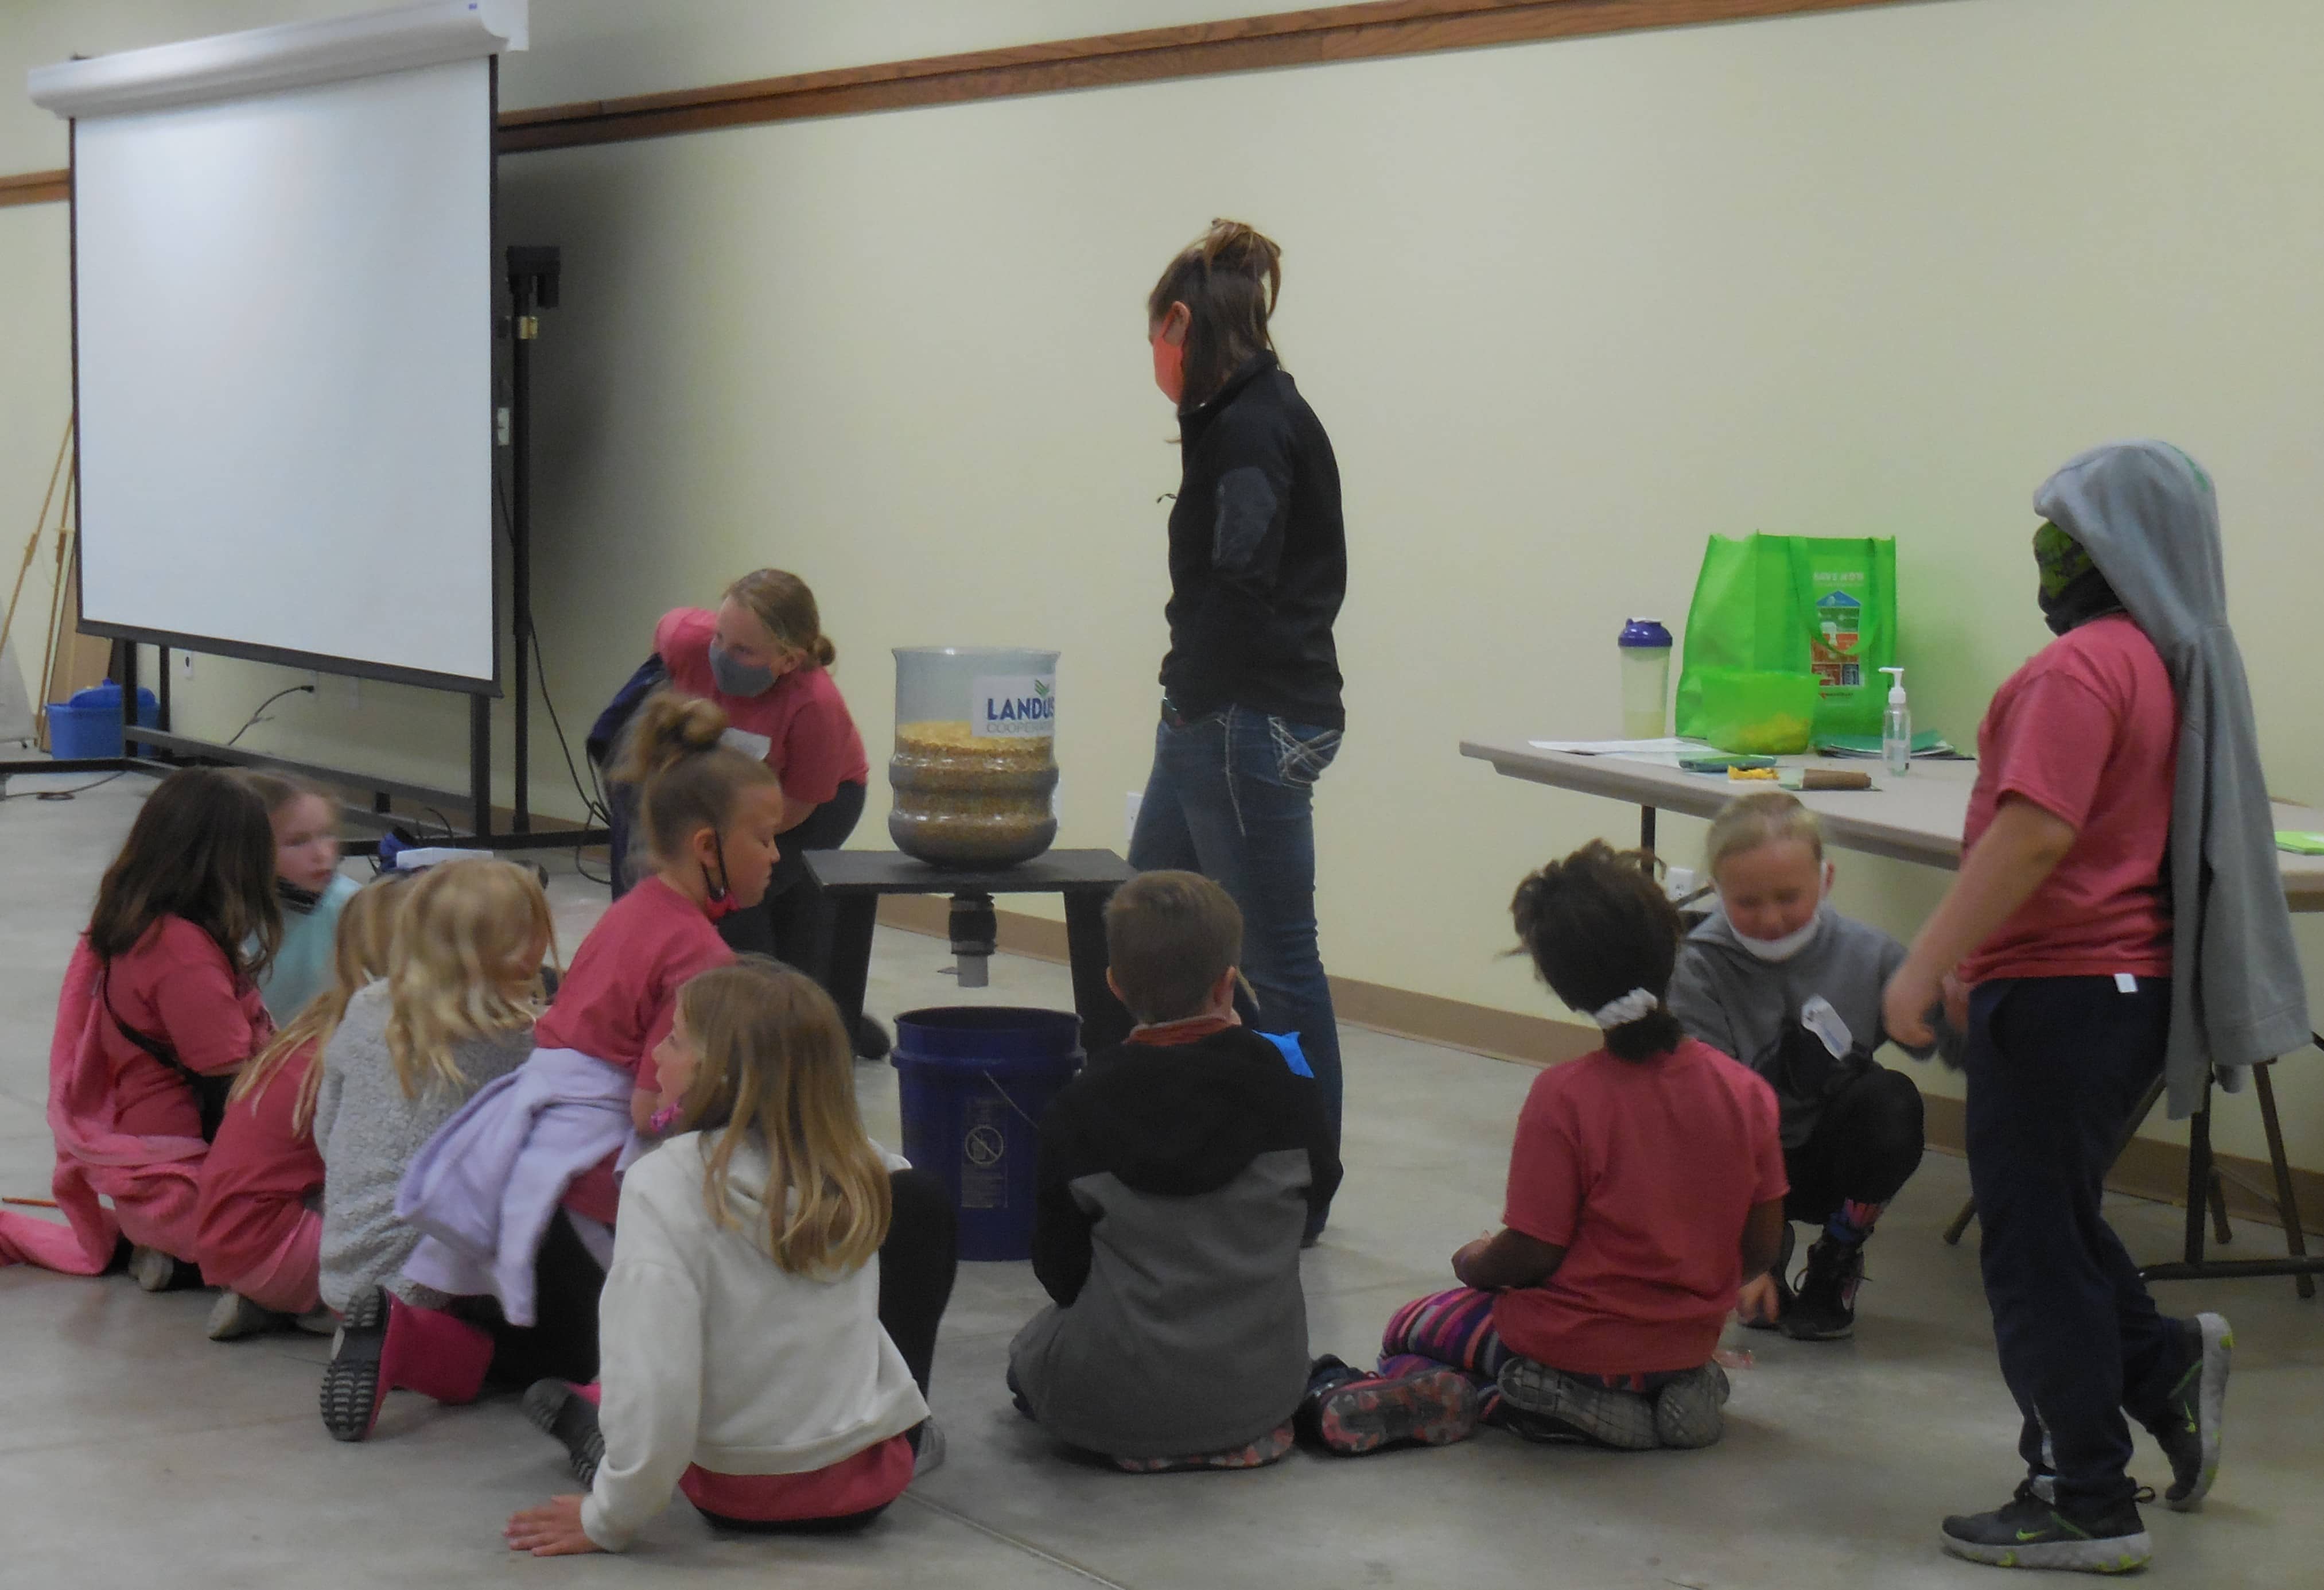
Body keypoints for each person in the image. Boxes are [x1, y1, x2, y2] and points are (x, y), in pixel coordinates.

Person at [1883, 442, 2300, 1573]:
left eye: (2056, 536)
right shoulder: (2161, 662)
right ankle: (2160, 1364)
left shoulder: (2078, 671)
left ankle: (2086, 1494)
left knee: (2030, 1251)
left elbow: (2039, 831)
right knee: (2053, 1222)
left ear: (2107, 551)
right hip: (2108, 990)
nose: (2043, 557)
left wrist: (1927, 958)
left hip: (2067, 994)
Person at [1303, 842, 1785, 1457]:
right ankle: (1679, 1388)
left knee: (1410, 1329)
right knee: (1644, 1354)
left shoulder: (1565, 1096)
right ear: (1672, 948)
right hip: (1686, 1339)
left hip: (1574, 1341)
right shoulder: (1746, 1092)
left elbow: (1534, 1250)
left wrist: (1475, 1261)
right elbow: (1761, 1246)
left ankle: (1538, 1397)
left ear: (1562, 985)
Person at [504, 962, 958, 1556]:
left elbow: (656, 1378)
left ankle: (603, 1425)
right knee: (921, 1202)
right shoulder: (854, 1167)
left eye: (674, 1040)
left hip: (737, 1493)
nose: (657, 1056)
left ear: (718, 1073)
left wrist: (608, 1517)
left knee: (644, 1376)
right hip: (867, 1485)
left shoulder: (661, 1184)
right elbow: (898, 1184)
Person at [391, 693, 782, 1348]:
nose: (775, 855)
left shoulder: (632, 909)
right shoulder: (702, 954)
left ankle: (410, 1346)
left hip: (535, 1147)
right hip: (596, 1183)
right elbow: (650, 1112)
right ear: (708, 846)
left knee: (515, 1348)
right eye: (765, 838)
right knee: (655, 1331)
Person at [1125, 219, 1349, 1239]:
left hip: (1242, 725)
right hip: (1213, 717)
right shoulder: (1242, 414)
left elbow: (1242, 581)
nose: (1155, 363)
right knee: (1142, 926)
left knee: (1280, 967)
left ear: (1179, 322)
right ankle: (1139, 1130)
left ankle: (1306, 1168)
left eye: (1155, 339)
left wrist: (1197, 697)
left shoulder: (1257, 427)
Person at [1006, 871, 1340, 1473]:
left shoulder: (1079, 1107)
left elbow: (1059, 1271)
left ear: (1113, 984)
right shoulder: (1290, 1087)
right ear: (1228, 984)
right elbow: (1318, 1196)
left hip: (1109, 1409)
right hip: (1262, 1397)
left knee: (1030, 1348)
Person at [1665, 791, 1930, 1340]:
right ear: (1717, 888)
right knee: (1704, 1116)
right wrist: (1749, 1248)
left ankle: (1840, 1252)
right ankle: (1764, 1246)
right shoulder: (1696, 967)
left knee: (1893, 1101)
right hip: (1745, 1161)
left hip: (1827, 1152)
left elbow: (1941, 1041)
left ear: (1826, 881)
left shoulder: (1872, 953)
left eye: (1790, 897)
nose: (1771, 919)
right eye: (1747, 902)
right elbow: (1712, 1109)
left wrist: (1955, 1007)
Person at [0, 768, 279, 1284]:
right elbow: (231, 1090)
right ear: (230, 862)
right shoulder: (182, 952)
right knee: (318, 1229)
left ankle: (168, 1253)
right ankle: (194, 1261)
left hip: (156, 1168)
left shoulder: (145, 921)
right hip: (181, 1173)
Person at [311, 859, 554, 1442]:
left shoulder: (367, 1005)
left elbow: (327, 1131)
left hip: (340, 1273)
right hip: (431, 1290)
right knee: (505, 1362)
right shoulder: (518, 1039)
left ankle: (373, 1329)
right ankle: (407, 1338)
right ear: (525, 949)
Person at [195, 873, 409, 1341]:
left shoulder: (322, 1020)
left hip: (233, 1242)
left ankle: (277, 1301)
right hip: (278, 1242)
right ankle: (334, 1308)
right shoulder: (372, 1045)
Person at [639, 571, 870, 977]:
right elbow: (664, 632)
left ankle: (761, 1000)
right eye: (719, 638)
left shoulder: (815, 705)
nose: (723, 656)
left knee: (737, 892)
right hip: (726, 793)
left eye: (743, 651)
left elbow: (800, 805)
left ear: (789, 660)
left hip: (813, 802)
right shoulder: (688, 640)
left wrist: (731, 841)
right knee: (692, 878)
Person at [240, 771, 360, 1023]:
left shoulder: (353, 905)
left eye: (327, 834)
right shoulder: (229, 916)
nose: (322, 854)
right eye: (297, 842)